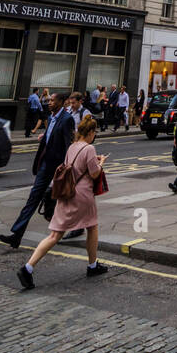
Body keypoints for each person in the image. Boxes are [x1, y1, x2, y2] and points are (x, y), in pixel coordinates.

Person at [17, 114, 108, 289]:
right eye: (94, 132)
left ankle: (29, 268)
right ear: (89, 132)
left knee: (58, 234)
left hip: (66, 192)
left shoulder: (72, 147)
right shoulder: (89, 148)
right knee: (89, 227)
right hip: (82, 196)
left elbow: (74, 167)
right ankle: (91, 265)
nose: (94, 135)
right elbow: (95, 173)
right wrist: (101, 162)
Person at [0, 91, 74, 248]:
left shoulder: (67, 119)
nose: (49, 102)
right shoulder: (50, 117)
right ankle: (16, 235)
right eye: (49, 100)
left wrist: (66, 167)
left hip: (57, 167)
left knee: (60, 201)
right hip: (45, 165)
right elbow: (51, 135)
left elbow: (68, 145)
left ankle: (69, 227)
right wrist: (44, 136)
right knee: (33, 198)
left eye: (52, 100)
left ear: (61, 102)